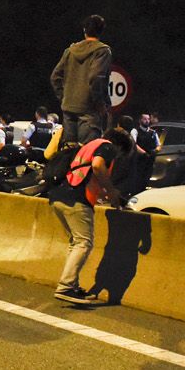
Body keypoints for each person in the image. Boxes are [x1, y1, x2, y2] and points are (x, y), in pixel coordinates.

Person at [47, 126, 132, 304]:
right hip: (77, 200)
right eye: (119, 156)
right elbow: (97, 166)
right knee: (84, 243)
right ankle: (66, 286)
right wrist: (111, 189)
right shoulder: (108, 146)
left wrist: (110, 196)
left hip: (59, 196)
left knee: (75, 243)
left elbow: (87, 176)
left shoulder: (88, 146)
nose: (116, 159)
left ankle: (73, 286)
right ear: (119, 147)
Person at [50, 14, 113, 144]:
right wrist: (99, 103)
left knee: (69, 155)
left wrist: (64, 97)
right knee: (86, 155)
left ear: (84, 30)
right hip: (89, 111)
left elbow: (55, 76)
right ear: (102, 31)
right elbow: (96, 77)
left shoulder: (70, 51)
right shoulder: (102, 51)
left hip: (68, 109)